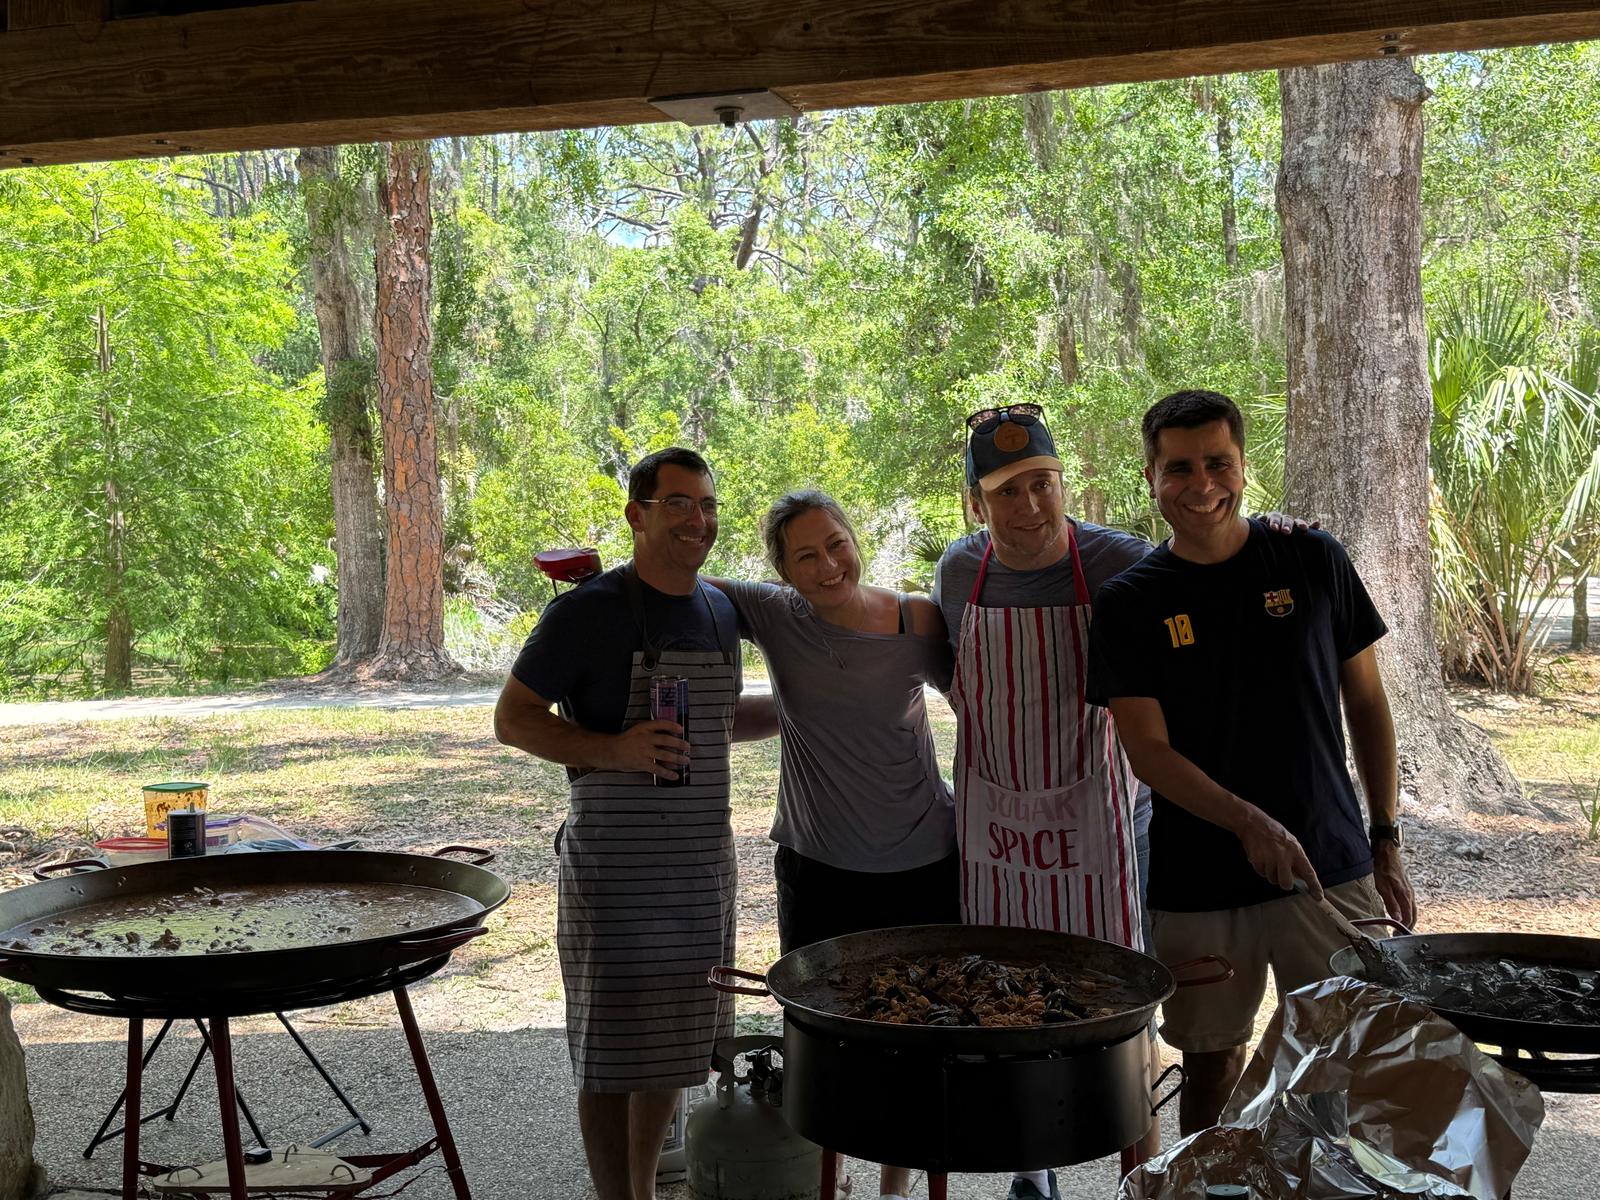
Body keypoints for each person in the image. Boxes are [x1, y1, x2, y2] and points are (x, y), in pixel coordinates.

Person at [1086, 389, 1417, 1135]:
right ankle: (1209, 1183)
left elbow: (1367, 704)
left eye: (1218, 463)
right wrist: (1248, 823)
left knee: (1345, 1059)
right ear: (1150, 477)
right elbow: (1147, 751)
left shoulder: (1312, 557)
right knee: (1211, 1063)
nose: (1201, 484)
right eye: (1179, 468)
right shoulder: (1130, 602)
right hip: (1198, 881)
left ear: (1243, 466)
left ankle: (1333, 1184)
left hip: (1328, 863)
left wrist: (1386, 838)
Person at [493, 447, 777, 1200]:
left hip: (702, 867)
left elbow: (717, 721)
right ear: (636, 515)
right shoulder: (587, 611)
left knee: (676, 1045)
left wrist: (805, 710)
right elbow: (513, 719)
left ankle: (645, 1188)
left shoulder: (718, 611)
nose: (697, 520)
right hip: (616, 870)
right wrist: (613, 749)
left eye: (707, 505)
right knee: (611, 1053)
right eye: (678, 503)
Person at [931, 403, 1154, 1200]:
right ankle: (1034, 1172)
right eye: (1006, 492)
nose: (1029, 506)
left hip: (1103, 825)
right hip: (997, 828)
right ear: (976, 504)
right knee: (1004, 996)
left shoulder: (1122, 561)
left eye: (1042, 483)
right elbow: (954, 678)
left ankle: (1141, 1170)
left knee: (1120, 1009)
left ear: (1064, 482)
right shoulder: (960, 573)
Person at [709, 489, 956, 1200]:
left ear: (855, 537)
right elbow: (675, 578)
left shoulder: (915, 617)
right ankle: (830, 1179)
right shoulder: (771, 613)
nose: (827, 565)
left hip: (924, 862)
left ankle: (896, 1188)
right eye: (806, 557)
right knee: (824, 1041)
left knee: (922, 1036)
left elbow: (982, 704)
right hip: (817, 869)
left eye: (836, 544)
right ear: (782, 571)